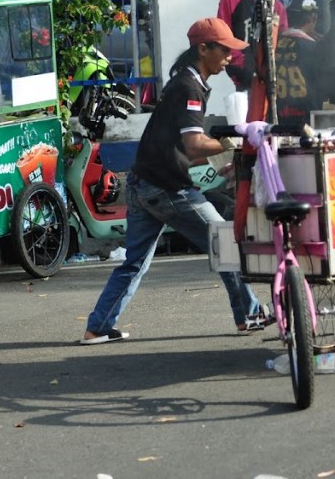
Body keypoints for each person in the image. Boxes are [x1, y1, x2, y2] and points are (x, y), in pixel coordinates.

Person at [80, 18, 266, 345]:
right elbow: (194, 143)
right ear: (203, 49)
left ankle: (96, 327)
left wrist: (221, 161)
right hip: (166, 189)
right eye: (223, 50)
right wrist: (230, 144)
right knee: (225, 243)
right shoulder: (189, 88)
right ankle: (249, 315)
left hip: (143, 185)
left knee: (133, 263)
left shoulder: (183, 82)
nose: (229, 57)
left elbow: (179, 148)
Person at [216, 0, 288, 91]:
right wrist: (244, 65)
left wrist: (275, 65)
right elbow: (223, 37)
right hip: (242, 76)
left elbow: (284, 37)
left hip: (272, 76)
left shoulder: (276, 4)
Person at [275, 0, 320, 135]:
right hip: (307, 121)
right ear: (312, 18)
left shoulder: (274, 45)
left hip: (279, 118)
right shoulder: (313, 48)